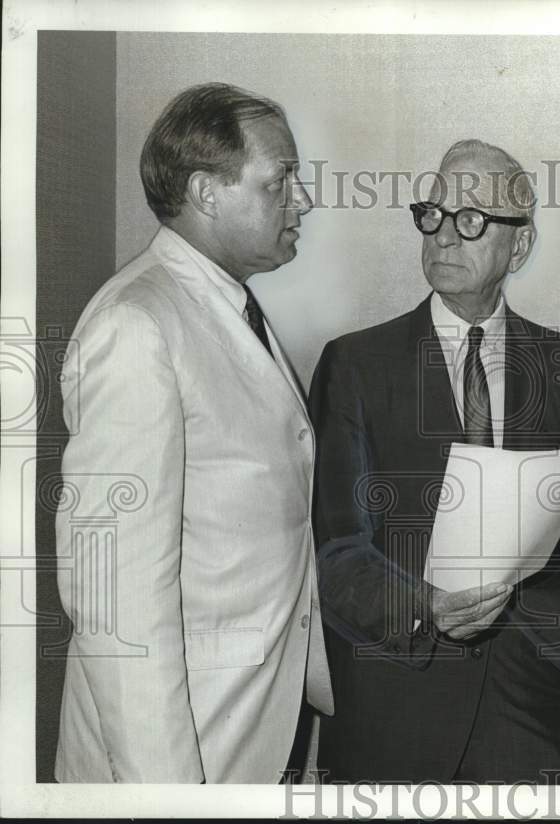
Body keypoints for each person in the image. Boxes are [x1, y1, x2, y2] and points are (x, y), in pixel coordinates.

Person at [309, 139, 560, 783]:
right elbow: (336, 551)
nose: (445, 236)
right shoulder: (355, 365)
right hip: (396, 710)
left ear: (520, 245)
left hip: (535, 719)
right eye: (433, 214)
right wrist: (424, 608)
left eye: (472, 220)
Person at [54, 82, 333, 783]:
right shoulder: (137, 325)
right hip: (180, 752)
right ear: (208, 193)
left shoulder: (223, 303)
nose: (302, 200)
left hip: (246, 724)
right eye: (281, 181)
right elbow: (113, 599)